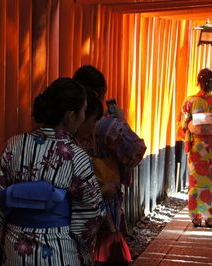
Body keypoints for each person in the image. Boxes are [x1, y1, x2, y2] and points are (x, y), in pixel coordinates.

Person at [0, 77, 106, 266]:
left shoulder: (13, 146)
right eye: (83, 111)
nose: (84, 117)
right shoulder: (76, 156)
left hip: (16, 246)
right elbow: (93, 212)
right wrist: (81, 247)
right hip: (59, 247)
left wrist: (6, 232)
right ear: (70, 115)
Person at [73, 65, 146, 265]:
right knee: (106, 253)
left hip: (73, 209)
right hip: (106, 206)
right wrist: (122, 122)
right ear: (99, 94)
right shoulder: (108, 125)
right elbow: (136, 151)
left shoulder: (65, 123)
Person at [178, 68, 212, 228]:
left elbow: (183, 126)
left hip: (196, 148)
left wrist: (195, 127)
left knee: (196, 181)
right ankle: (210, 218)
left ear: (199, 82)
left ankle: (196, 217)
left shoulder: (189, 102)